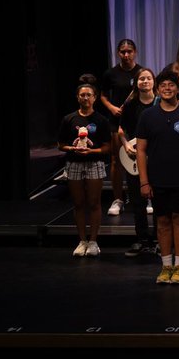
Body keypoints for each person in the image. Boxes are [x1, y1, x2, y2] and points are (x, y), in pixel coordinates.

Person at [136, 70, 179, 285]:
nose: (167, 88)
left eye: (171, 85)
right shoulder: (148, 116)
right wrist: (144, 182)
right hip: (157, 179)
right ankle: (166, 266)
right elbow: (140, 151)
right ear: (157, 89)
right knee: (162, 221)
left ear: (178, 88)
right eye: (163, 85)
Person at [59, 78, 111, 256]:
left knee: (94, 203)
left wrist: (92, 151)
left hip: (94, 163)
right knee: (79, 203)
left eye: (89, 95)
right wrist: (72, 148)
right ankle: (82, 241)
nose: (86, 98)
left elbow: (107, 147)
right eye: (82, 95)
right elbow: (60, 144)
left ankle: (94, 242)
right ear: (77, 97)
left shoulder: (101, 120)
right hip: (74, 164)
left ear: (95, 98)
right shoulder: (69, 119)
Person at [117, 67, 157, 256]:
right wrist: (125, 145)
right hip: (134, 157)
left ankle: (158, 240)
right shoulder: (131, 105)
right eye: (141, 79)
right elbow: (121, 130)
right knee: (138, 204)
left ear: (153, 82)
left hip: (156, 159)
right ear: (136, 82)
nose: (145, 81)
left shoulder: (160, 104)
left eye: (148, 78)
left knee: (158, 203)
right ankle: (142, 240)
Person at [99, 39, 139, 219]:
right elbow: (103, 96)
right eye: (123, 52)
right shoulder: (111, 73)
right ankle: (118, 199)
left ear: (135, 52)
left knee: (142, 158)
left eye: (129, 51)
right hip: (117, 120)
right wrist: (112, 108)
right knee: (116, 160)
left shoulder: (141, 72)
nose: (126, 55)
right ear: (118, 53)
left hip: (137, 119)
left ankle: (143, 197)